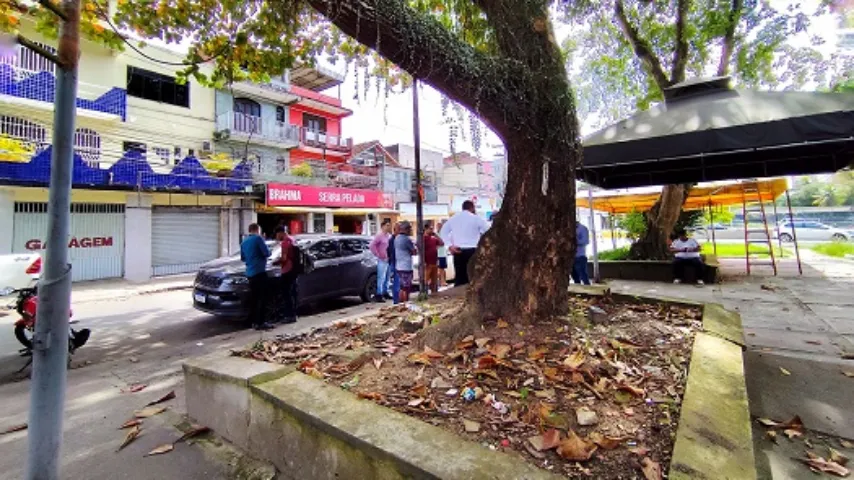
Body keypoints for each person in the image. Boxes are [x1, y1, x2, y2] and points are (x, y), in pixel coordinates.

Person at [440, 200, 489, 286]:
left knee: (459, 277)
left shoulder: (454, 218)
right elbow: (488, 230)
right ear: (472, 208)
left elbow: (443, 232)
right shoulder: (476, 218)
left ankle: (458, 295)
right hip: (473, 250)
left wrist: (450, 246)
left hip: (458, 250)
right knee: (472, 276)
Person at [240, 223, 272, 330]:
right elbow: (267, 253)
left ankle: (254, 322)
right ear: (257, 230)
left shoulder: (244, 241)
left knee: (254, 299)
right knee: (262, 298)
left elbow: (243, 258)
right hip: (259, 272)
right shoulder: (258, 239)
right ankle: (262, 322)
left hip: (249, 273)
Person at [272, 226, 298, 324]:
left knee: (286, 293)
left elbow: (284, 258)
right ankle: (294, 314)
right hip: (294, 270)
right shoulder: (292, 240)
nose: (276, 236)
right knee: (292, 292)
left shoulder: (285, 242)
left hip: (287, 270)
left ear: (281, 233)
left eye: (277, 234)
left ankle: (289, 316)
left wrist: (275, 262)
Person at [369, 219, 392, 302]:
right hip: (382, 259)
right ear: (382, 226)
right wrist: (378, 254)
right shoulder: (379, 235)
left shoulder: (389, 236)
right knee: (381, 277)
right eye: (387, 225)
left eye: (389, 225)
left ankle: (385, 292)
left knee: (387, 277)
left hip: (388, 258)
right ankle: (379, 294)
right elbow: (372, 245)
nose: (388, 227)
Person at [394, 221, 418, 303]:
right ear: (406, 229)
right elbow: (414, 252)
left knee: (402, 287)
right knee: (406, 288)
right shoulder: (406, 239)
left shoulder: (396, 238)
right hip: (406, 266)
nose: (411, 230)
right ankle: (405, 303)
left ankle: (400, 303)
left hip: (399, 266)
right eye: (410, 228)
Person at [422, 222, 445, 294]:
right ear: (426, 229)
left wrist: (436, 235)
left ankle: (434, 293)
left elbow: (442, 243)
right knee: (426, 279)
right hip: (427, 263)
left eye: (432, 229)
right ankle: (424, 294)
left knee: (434, 281)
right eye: (430, 229)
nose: (432, 230)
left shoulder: (433, 238)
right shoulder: (423, 239)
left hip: (434, 262)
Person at [571, 221, 591, 285]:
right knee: (575, 277)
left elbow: (585, 241)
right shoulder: (569, 228)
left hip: (580, 256)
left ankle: (588, 291)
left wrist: (575, 240)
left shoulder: (583, 228)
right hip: (571, 257)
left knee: (583, 276)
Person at [387, 222, 401, 303]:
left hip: (398, 263)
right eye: (398, 229)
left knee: (399, 283)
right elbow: (390, 252)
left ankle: (398, 299)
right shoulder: (392, 240)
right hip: (394, 263)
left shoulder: (398, 239)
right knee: (396, 283)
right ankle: (396, 300)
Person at [436, 220, 448, 287]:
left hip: (442, 254)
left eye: (439, 226)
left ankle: (443, 281)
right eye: (437, 226)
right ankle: (441, 281)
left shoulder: (442, 234)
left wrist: (436, 246)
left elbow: (442, 243)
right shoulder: (436, 233)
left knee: (442, 269)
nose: (438, 227)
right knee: (440, 269)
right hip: (438, 254)